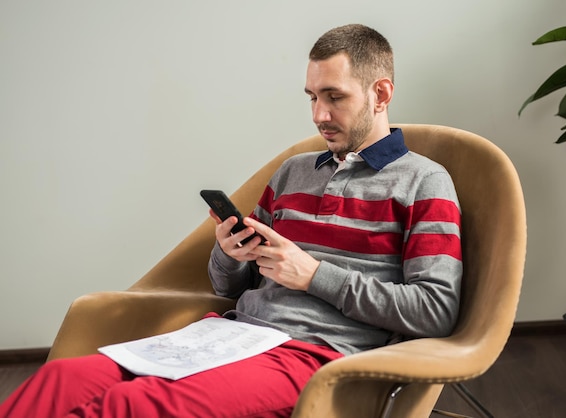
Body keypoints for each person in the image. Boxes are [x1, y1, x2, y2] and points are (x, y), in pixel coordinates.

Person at [0, 23, 462, 418]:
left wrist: (316, 276)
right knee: (62, 377)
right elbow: (230, 287)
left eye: (334, 97)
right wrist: (229, 253)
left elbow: (435, 311)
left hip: (317, 356)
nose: (319, 115)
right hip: (230, 335)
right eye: (312, 97)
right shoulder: (293, 172)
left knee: (135, 405)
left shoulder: (424, 182)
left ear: (380, 93)